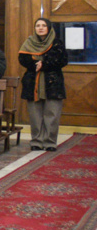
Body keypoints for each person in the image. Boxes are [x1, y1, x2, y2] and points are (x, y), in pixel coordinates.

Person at [20, 18, 67, 151]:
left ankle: (50, 142)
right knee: (35, 115)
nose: (40, 28)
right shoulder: (29, 42)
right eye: (38, 26)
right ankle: (36, 141)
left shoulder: (57, 43)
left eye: (44, 25)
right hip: (32, 83)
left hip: (53, 84)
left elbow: (62, 60)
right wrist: (36, 64)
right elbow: (23, 58)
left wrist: (44, 64)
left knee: (52, 113)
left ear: (49, 28)